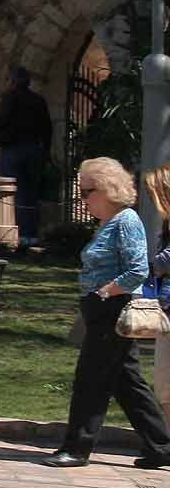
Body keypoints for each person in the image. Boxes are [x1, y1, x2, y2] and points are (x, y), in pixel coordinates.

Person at [40, 156, 170, 469]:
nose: (83, 199)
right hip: (100, 310)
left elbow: (138, 269)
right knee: (127, 383)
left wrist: (106, 291)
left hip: (112, 310)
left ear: (107, 189)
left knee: (91, 381)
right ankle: (161, 446)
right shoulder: (108, 223)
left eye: (87, 191)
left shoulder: (126, 221)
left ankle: (77, 448)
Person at [0, 66, 53, 250]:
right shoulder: (38, 101)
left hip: (14, 149)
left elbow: (1, 120)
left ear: (13, 81)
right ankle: (30, 234)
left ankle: (19, 234)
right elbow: (47, 128)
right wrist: (45, 152)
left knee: (14, 191)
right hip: (34, 149)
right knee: (31, 192)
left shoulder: (10, 98)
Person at [145, 164, 170, 412]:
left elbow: (166, 260)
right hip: (165, 308)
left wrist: (150, 267)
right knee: (164, 388)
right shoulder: (167, 225)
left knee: (166, 385)